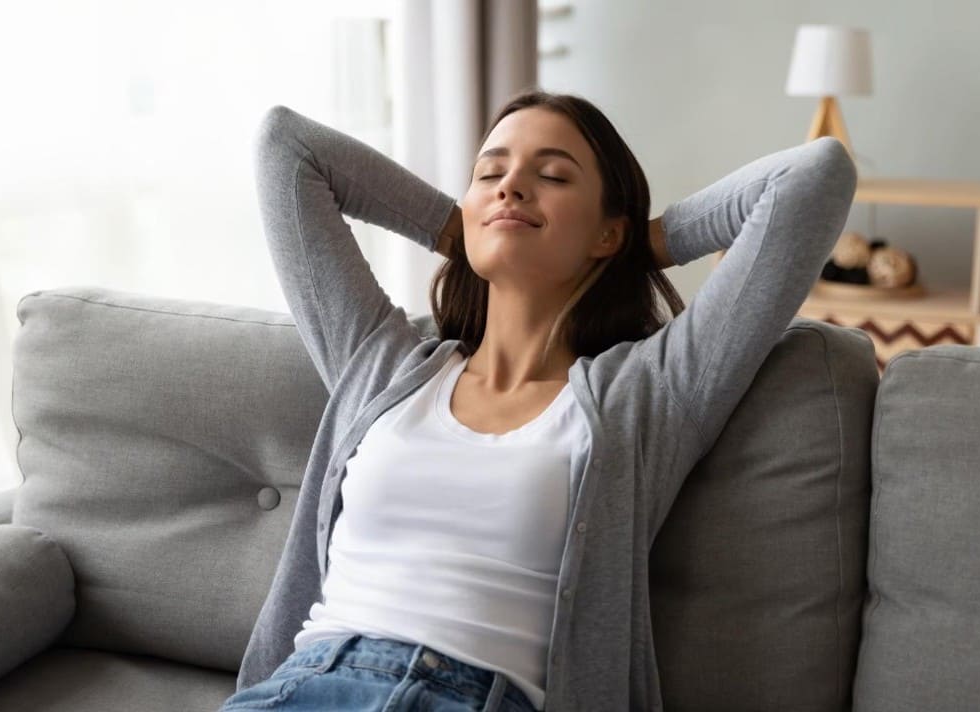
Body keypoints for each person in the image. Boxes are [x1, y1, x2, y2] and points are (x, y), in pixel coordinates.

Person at [220, 89, 857, 711]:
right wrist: (460, 226)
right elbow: (287, 146)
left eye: (551, 176)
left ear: (606, 232)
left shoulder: (648, 394)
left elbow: (813, 177)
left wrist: (639, 246)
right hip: (302, 687)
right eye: (490, 172)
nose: (511, 184)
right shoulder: (382, 367)